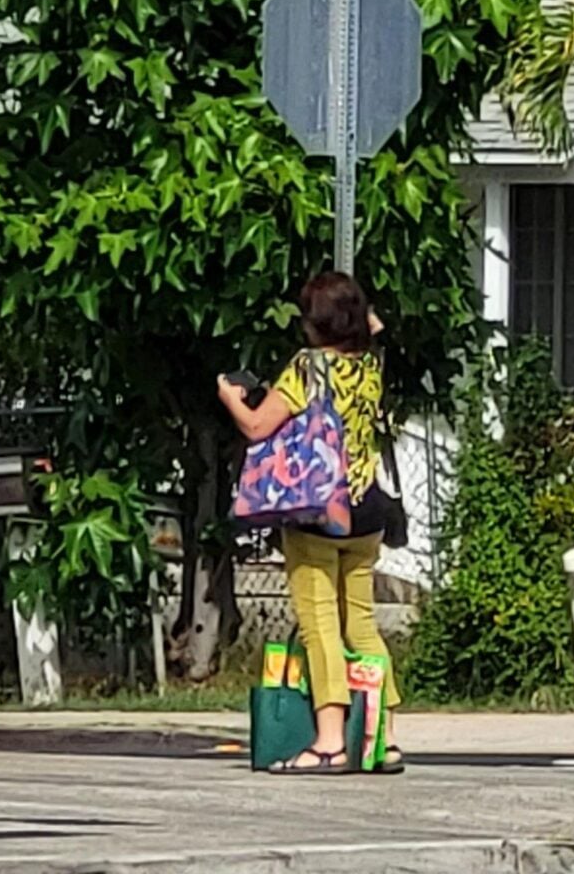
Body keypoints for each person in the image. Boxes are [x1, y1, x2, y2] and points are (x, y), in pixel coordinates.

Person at [219, 270, 403, 776]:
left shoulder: (307, 368)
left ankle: (329, 742)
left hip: (318, 509)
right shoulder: (371, 364)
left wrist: (231, 397)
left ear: (315, 323)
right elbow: (374, 326)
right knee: (361, 624)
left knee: (320, 625)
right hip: (367, 511)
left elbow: (259, 426)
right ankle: (379, 737)